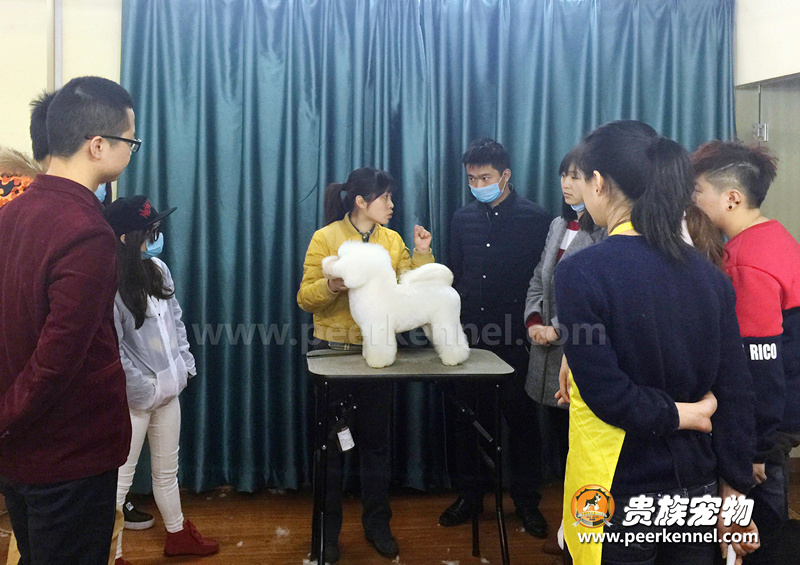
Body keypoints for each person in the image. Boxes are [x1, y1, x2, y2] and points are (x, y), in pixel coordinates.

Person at [554, 120, 758, 564]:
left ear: (598, 183)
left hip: (619, 489)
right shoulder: (709, 275)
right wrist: (736, 497)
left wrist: (681, 415)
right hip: (697, 487)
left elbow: (609, 396)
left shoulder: (580, 272)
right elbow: (736, 393)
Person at [0, 76, 135, 564]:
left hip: (19, 455)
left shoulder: (11, 215)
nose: (131, 151)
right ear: (98, 145)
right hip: (68, 457)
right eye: (130, 141)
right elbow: (56, 361)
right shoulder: (86, 229)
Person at [297, 167, 433, 563]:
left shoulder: (392, 240)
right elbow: (305, 297)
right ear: (361, 201)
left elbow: (413, 290)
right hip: (333, 355)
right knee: (330, 449)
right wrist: (331, 285)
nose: (391, 205)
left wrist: (422, 254)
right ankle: (327, 535)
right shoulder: (326, 238)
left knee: (376, 445)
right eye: (385, 197)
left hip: (377, 357)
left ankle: (378, 526)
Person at [692, 140, 800, 564]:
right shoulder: (776, 236)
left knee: (758, 529)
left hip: (769, 422)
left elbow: (760, 368)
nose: (692, 201)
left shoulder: (744, 262)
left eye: (698, 191)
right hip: (783, 410)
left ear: (732, 198)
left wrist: (751, 451)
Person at [441, 138, 551, 537]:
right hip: (469, 336)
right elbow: (454, 274)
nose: (477, 185)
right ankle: (470, 495)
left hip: (516, 337)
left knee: (522, 422)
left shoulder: (537, 219)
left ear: (505, 175)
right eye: (471, 178)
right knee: (469, 420)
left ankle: (526, 502)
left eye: (485, 178)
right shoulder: (462, 219)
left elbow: (543, 281)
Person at [104, 196, 219, 564]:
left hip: (170, 391)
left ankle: (178, 534)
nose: (156, 236)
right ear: (126, 238)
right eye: (150, 231)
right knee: (119, 482)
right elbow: (114, 348)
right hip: (135, 401)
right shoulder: (109, 283)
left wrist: (184, 366)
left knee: (168, 471)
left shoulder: (158, 269)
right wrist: (143, 390)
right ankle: (113, 554)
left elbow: (175, 321)